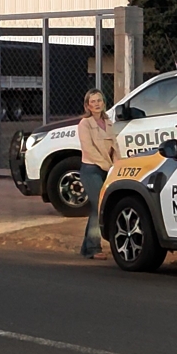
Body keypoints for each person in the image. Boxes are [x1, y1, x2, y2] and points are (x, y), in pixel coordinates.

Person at [77, 89, 116, 259]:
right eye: (92, 102)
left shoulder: (108, 122)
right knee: (99, 207)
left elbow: (115, 146)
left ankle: (87, 248)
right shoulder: (84, 124)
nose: (96, 104)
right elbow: (89, 150)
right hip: (91, 169)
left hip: (107, 169)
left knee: (96, 208)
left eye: (99, 100)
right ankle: (93, 248)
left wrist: (118, 165)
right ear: (87, 105)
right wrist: (107, 165)